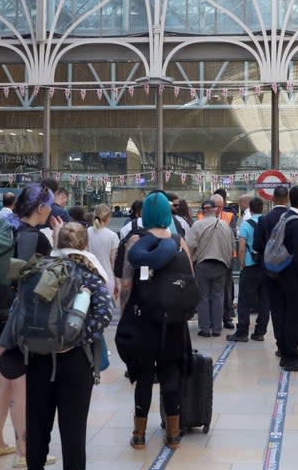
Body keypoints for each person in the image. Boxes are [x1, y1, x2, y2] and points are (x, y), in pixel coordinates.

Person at [20, 223, 109, 470]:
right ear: (84, 244)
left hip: (37, 356)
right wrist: (78, 338)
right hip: (75, 359)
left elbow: (19, 310)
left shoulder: (38, 272)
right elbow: (104, 313)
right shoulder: (89, 275)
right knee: (73, 423)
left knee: (37, 420)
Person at [0, 184, 57, 469]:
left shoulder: (4, 230)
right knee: (21, 385)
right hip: (19, 317)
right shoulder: (37, 239)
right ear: (40, 208)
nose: (50, 210)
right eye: (48, 205)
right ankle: (24, 451)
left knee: (2, 381)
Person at [119, 191, 194, 448]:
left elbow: (126, 285)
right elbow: (189, 279)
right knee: (170, 372)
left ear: (145, 214)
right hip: (173, 321)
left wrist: (124, 315)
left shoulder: (134, 241)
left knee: (143, 375)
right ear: (167, 213)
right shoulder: (179, 241)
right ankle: (172, 434)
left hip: (142, 319)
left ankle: (138, 434)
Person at [256, 185, 298, 372]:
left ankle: (284, 353)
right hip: (292, 278)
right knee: (294, 316)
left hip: (276, 273)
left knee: (281, 314)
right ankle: (291, 357)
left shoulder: (285, 217)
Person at [187, 197, 234, 337]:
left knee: (203, 297)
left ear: (203, 210)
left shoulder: (197, 225)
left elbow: (190, 247)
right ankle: (217, 329)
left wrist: (189, 264)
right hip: (221, 265)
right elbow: (232, 247)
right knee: (218, 296)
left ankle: (205, 329)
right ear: (215, 210)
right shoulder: (225, 225)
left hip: (202, 265)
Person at [228, 197, 269, 342]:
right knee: (265, 300)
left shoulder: (245, 225)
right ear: (262, 208)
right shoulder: (268, 223)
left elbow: (242, 247)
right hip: (266, 267)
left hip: (250, 266)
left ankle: (242, 332)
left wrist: (241, 264)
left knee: (244, 301)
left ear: (250, 209)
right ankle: (259, 332)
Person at [86, 204, 119, 285]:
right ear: (108, 218)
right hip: (107, 278)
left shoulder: (85, 232)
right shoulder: (113, 236)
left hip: (88, 277)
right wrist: (118, 282)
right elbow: (113, 262)